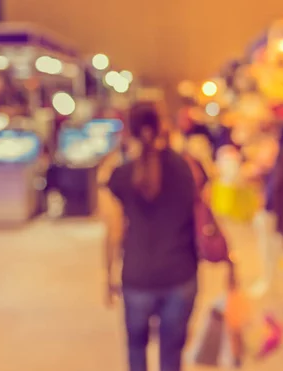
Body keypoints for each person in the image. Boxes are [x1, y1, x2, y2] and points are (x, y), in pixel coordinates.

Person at [100, 102, 201, 371]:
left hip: (137, 276)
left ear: (129, 131)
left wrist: (108, 274)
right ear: (162, 126)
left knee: (136, 349)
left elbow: (114, 230)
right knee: (171, 354)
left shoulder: (121, 175)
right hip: (180, 274)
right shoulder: (186, 168)